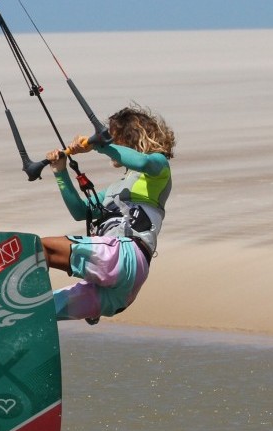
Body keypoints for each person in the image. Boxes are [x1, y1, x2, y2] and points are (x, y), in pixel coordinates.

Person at [42, 104, 175, 323]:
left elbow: (142, 161)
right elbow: (79, 211)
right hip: (124, 289)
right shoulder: (114, 190)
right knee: (42, 310)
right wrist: (60, 172)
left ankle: (15, 296)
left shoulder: (158, 167)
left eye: (113, 139)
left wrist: (99, 146)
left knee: (39, 248)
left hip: (124, 257)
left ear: (127, 139)